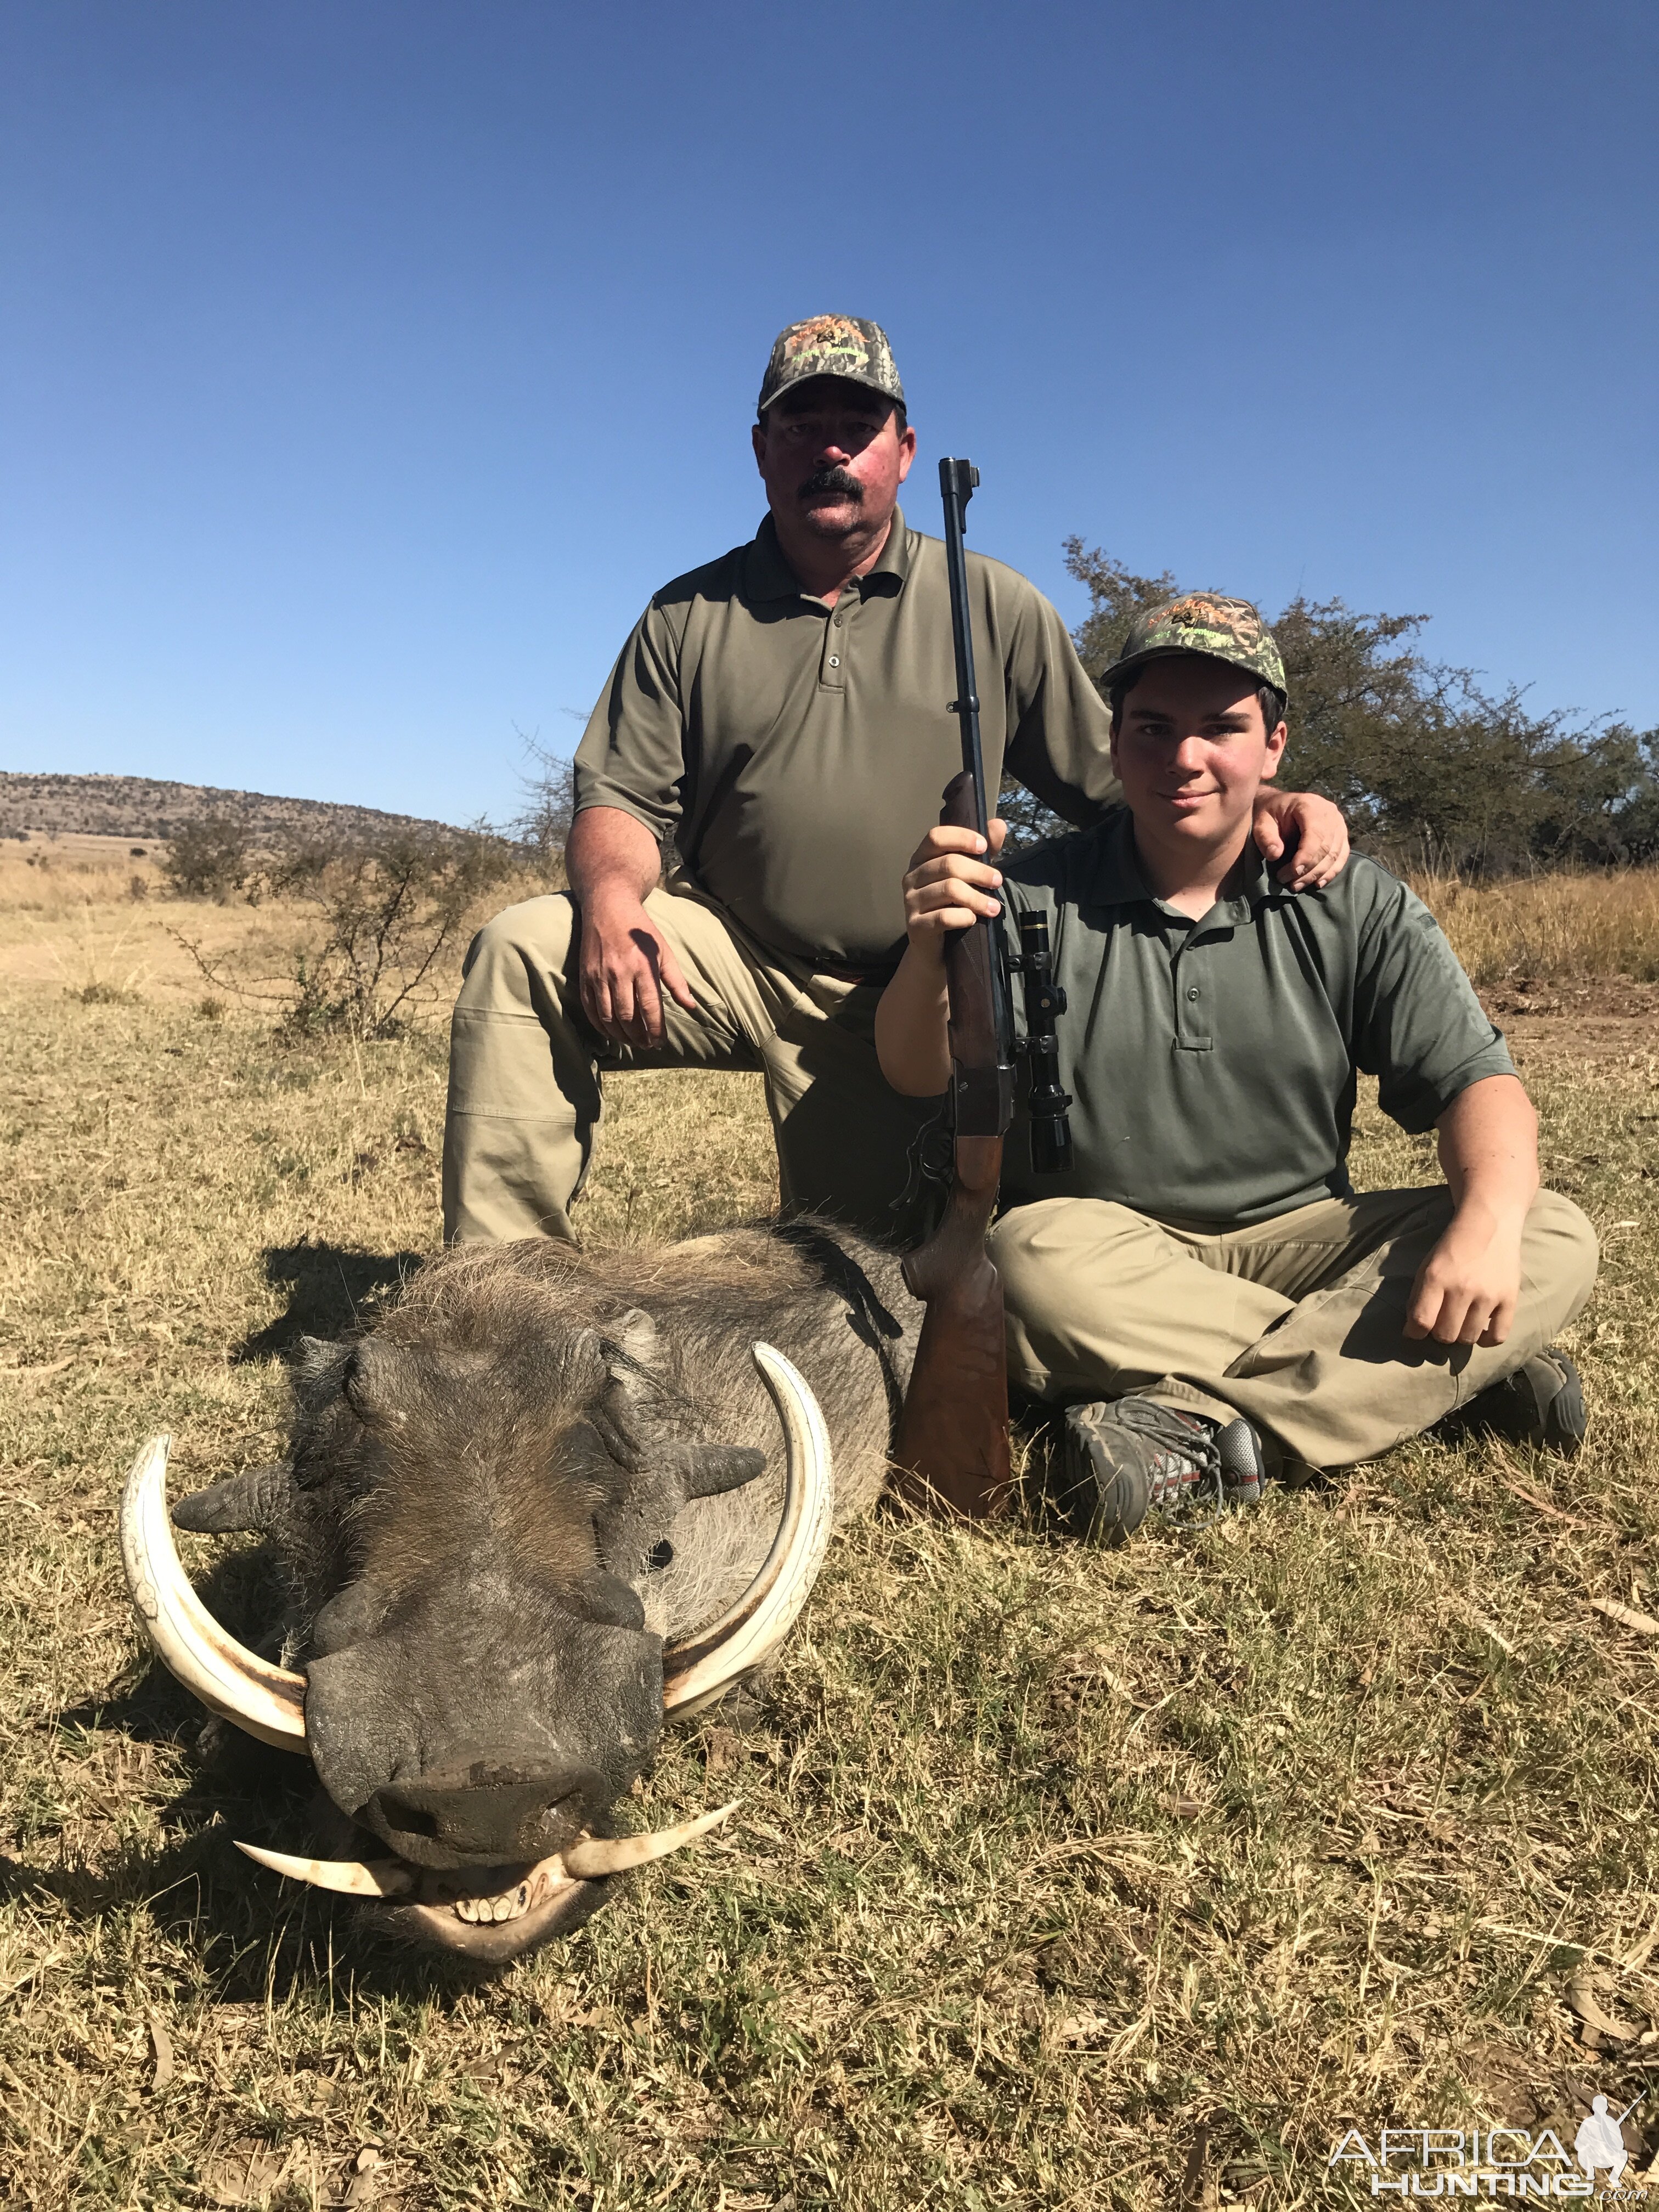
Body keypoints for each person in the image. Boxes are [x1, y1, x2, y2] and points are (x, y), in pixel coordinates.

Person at [443, 316, 1351, 1247]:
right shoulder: (686, 614)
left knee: (884, 1278)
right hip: (734, 954)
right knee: (525, 947)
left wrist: (1270, 803)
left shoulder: (995, 604)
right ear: (762, 451)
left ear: (904, 450)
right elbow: (622, 798)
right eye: (801, 425)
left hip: (915, 990)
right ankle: (498, 1300)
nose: (830, 448)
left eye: (859, 425)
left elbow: (1119, 781)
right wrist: (608, 903)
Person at [876, 591, 1598, 1542]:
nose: (1185, 757)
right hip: (1109, 1250)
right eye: (1153, 727)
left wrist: (1491, 1222)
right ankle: (1437, 1383)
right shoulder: (1027, 893)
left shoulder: (1355, 900)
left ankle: (1215, 1434)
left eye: (1222, 728)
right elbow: (915, 1071)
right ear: (1114, 742)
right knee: (1030, 1259)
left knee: (1549, 1230)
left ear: (1274, 747)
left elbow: (1480, 1086)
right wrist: (931, 946)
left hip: (1309, 1237)